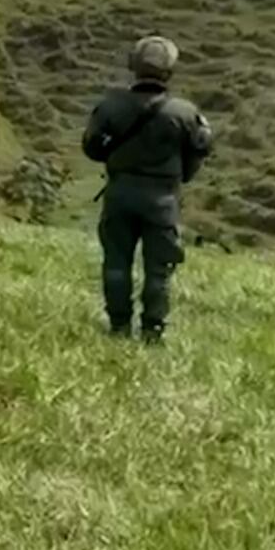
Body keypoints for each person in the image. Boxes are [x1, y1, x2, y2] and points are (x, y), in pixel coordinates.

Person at [81, 36, 213, 344]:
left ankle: (118, 327)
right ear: (170, 71)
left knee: (115, 262)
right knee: (159, 269)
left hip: (120, 195)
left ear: (134, 66)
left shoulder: (111, 106)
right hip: (162, 200)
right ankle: (153, 331)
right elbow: (198, 153)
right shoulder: (185, 112)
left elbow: (91, 148)